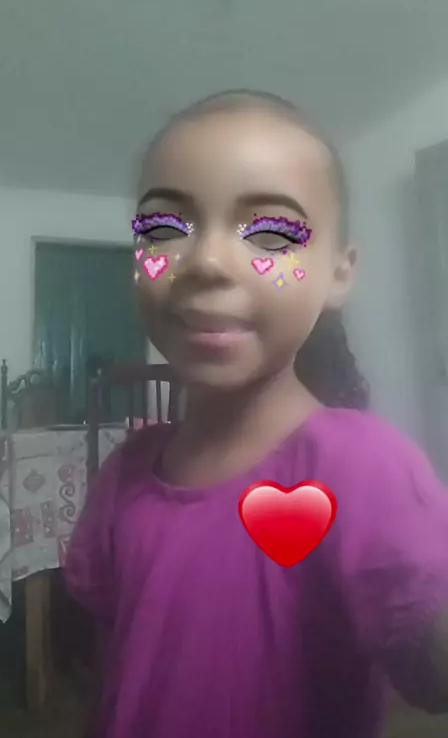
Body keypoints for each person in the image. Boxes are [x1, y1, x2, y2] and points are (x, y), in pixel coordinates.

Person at [64, 90, 448, 738]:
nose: (206, 262)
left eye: (271, 233)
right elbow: (117, 665)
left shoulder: (362, 467)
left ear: (339, 274)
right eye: (163, 229)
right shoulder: (124, 473)